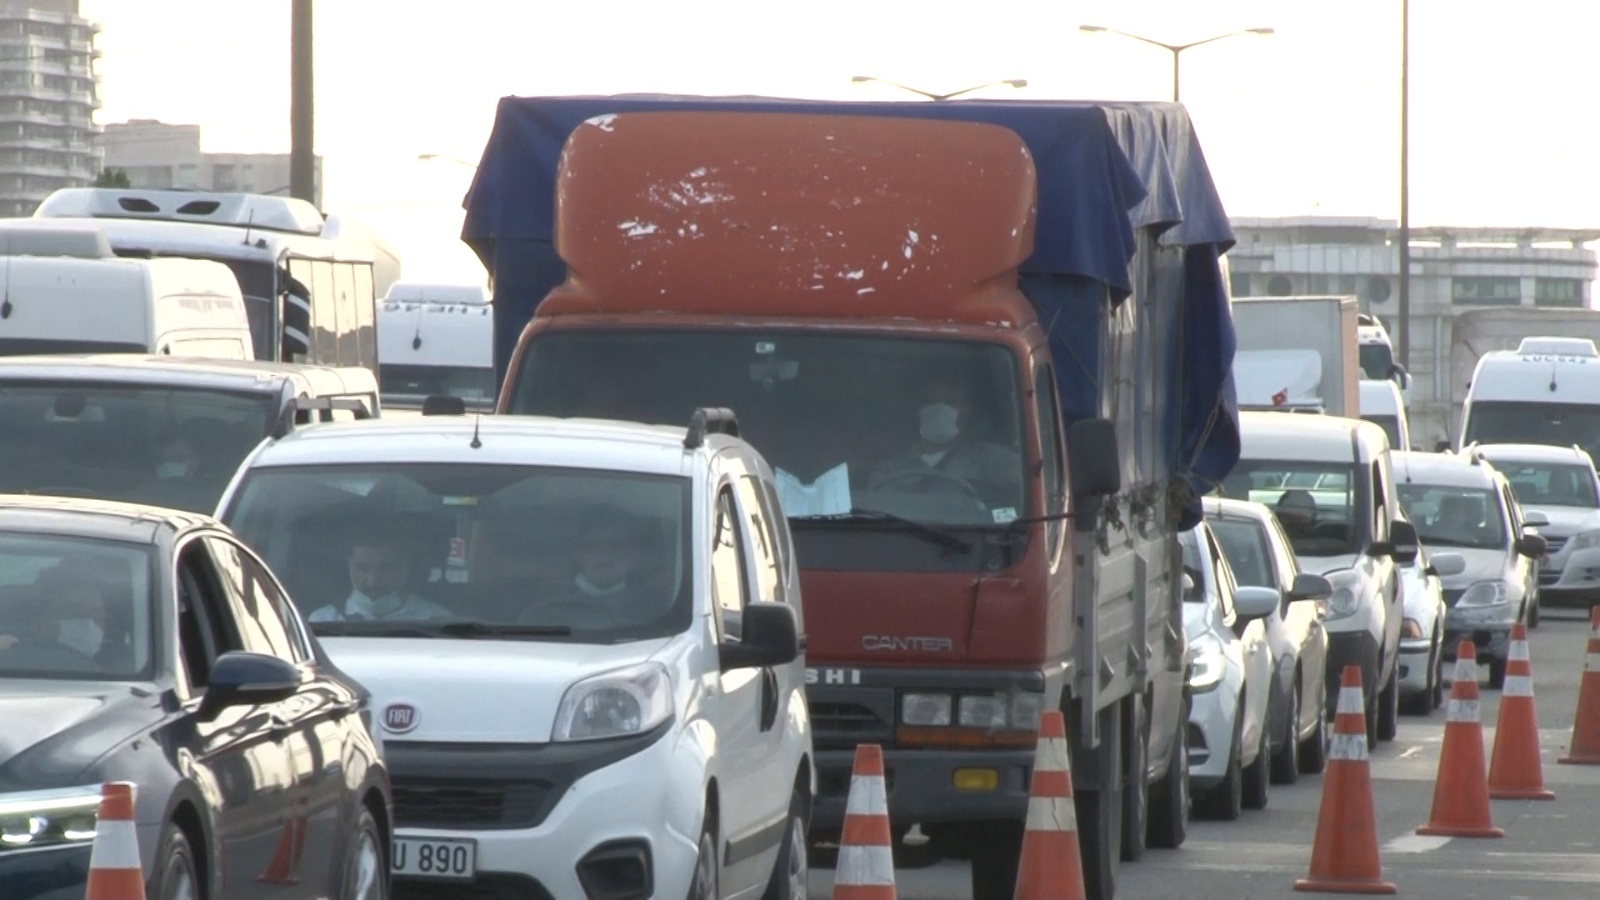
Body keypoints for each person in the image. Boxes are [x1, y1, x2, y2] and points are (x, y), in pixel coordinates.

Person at [866, 376, 1021, 508]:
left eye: (950, 401)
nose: (939, 408)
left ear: (966, 410)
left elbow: (1025, 480)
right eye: (931, 401)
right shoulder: (889, 470)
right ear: (917, 410)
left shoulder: (986, 458)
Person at [519, 508, 663, 627]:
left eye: (616, 546)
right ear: (576, 554)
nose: (604, 555)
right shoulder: (545, 612)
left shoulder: (659, 612)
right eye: (592, 546)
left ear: (633, 555)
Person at [308, 534, 451, 622]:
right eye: (363, 569)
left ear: (404, 568)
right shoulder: (321, 621)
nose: (373, 581)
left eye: (385, 569)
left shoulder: (438, 620)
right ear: (349, 566)